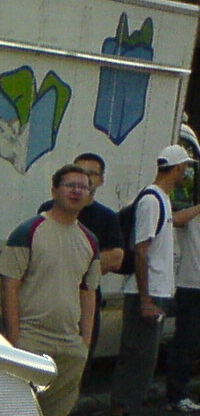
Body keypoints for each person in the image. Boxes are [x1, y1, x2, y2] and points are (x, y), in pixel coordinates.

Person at [105, 144, 200, 416]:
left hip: (156, 291)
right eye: (185, 167)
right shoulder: (152, 200)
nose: (186, 173)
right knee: (135, 358)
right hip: (145, 293)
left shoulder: (162, 199)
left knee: (144, 361)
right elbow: (142, 250)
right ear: (177, 168)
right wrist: (146, 300)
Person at [0, 164, 101, 416]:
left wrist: (84, 342)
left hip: (69, 346)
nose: (76, 191)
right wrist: (14, 337)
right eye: (70, 185)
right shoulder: (29, 231)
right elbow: (9, 284)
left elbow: (88, 291)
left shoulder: (89, 240)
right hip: (31, 339)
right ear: (54, 190)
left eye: (83, 187)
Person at [38, 151, 124, 357]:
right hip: (46, 302)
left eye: (91, 174)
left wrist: (73, 265)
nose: (84, 178)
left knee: (78, 362)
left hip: (84, 304)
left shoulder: (106, 217)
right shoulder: (48, 209)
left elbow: (116, 258)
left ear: (101, 180)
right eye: (79, 171)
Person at [165, 205, 200, 413]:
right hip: (192, 286)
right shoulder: (192, 216)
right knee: (186, 342)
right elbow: (174, 220)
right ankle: (177, 395)